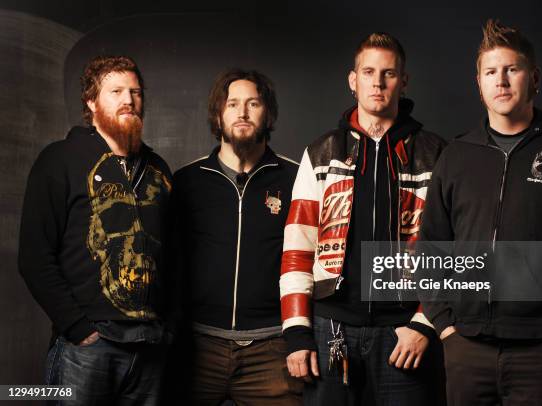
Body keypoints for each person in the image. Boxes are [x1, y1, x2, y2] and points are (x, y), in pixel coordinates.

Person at [419, 19, 542, 405]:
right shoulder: (455, 156)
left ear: (534, 78)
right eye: (491, 72)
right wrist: (445, 328)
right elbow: (430, 246)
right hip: (466, 350)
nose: (501, 81)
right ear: (479, 83)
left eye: (512, 69)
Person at [280, 32, 447, 404]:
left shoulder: (436, 155)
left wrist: (424, 323)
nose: (377, 81)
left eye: (388, 73)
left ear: (403, 82)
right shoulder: (322, 153)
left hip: (403, 332)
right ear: (353, 80)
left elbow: (450, 249)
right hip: (330, 329)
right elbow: (297, 250)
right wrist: (297, 333)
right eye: (368, 71)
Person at [18, 55, 173, 405]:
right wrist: (78, 328)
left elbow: (175, 253)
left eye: (134, 92)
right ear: (91, 101)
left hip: (149, 346)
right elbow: (34, 256)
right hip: (88, 346)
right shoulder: (58, 160)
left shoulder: (158, 170)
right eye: (115, 91)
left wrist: (168, 326)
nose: (128, 100)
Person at [171, 69, 302, 405]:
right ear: (219, 114)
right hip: (198, 348)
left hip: (272, 349)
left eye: (253, 103)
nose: (242, 112)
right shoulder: (186, 181)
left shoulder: (296, 180)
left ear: (267, 113)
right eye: (232, 104)